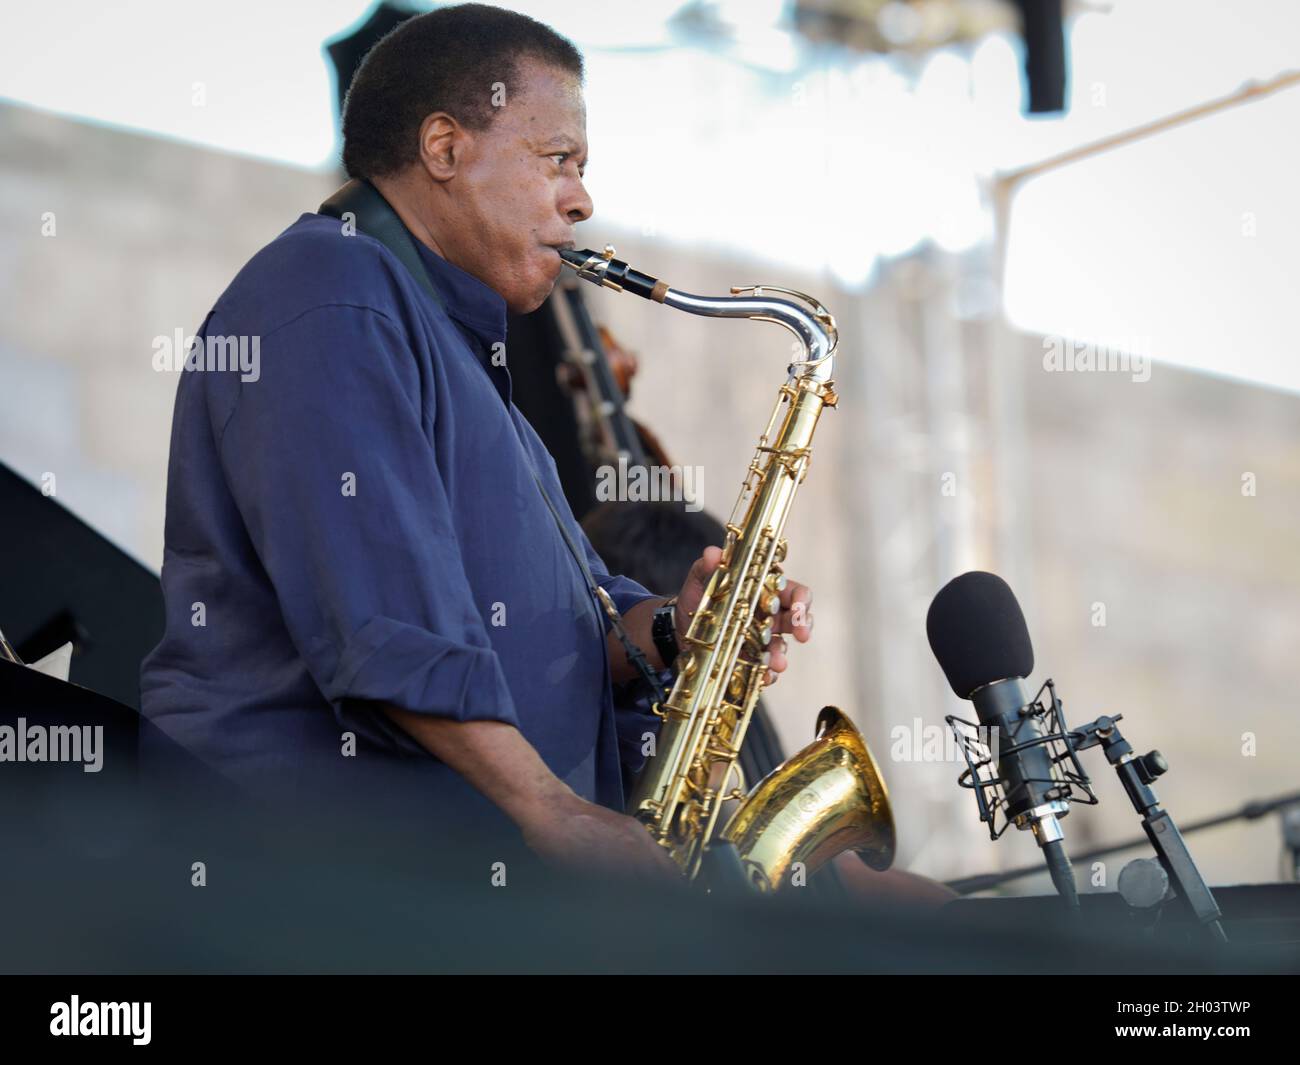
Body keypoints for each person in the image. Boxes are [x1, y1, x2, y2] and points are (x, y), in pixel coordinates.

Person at [138, 4, 814, 883]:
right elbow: (386, 630)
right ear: (446, 149)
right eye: (557, 160)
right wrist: (553, 809)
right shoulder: (332, 294)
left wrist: (682, 628)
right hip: (306, 887)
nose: (582, 198)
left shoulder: (461, 360)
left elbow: (562, 626)